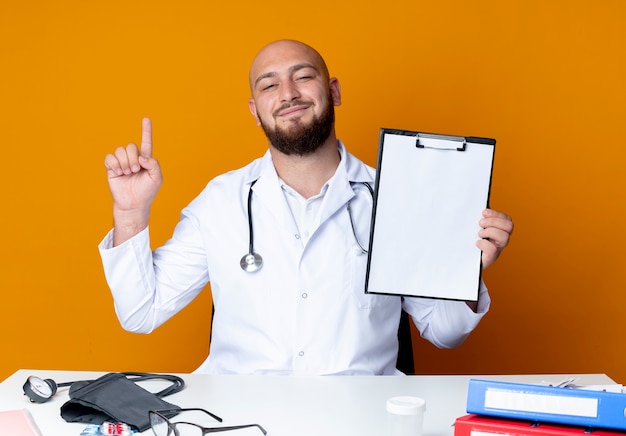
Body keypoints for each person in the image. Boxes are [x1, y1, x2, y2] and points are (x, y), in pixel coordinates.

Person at [99, 39, 514, 375]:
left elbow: (445, 332)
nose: (289, 94)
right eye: (269, 85)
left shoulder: (393, 197)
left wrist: (467, 270)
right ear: (255, 111)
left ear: (332, 91)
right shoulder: (221, 201)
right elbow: (141, 312)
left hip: (359, 419)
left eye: (303, 76)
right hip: (242, 418)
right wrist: (131, 214)